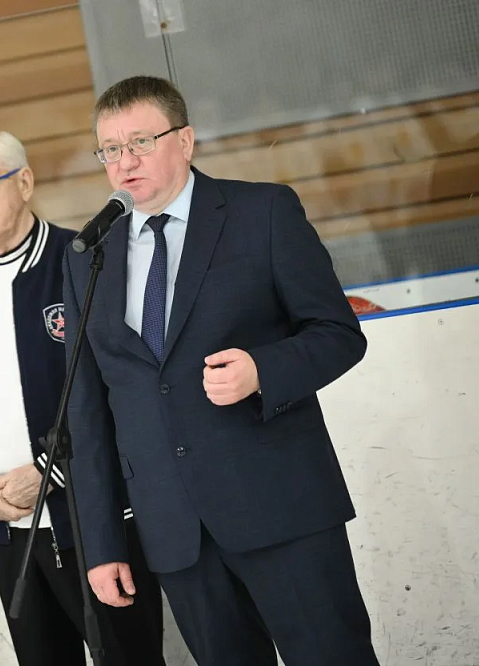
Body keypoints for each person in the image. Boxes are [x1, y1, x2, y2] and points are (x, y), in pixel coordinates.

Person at [64, 76, 381, 665]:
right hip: (176, 534)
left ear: (185, 141)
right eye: (109, 149)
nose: (124, 162)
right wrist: (102, 544)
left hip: (281, 508)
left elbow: (338, 333)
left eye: (140, 142)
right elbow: (87, 411)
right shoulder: (88, 257)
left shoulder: (263, 212)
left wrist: (263, 370)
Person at [0, 130, 166, 666]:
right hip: (8, 532)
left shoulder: (82, 259)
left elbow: (117, 388)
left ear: (25, 182)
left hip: (95, 523)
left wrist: (50, 470)